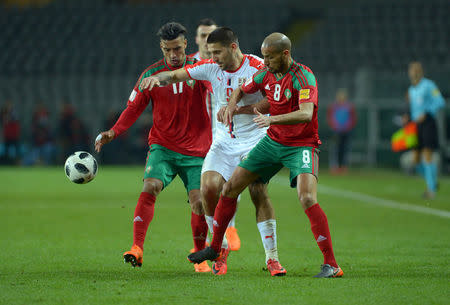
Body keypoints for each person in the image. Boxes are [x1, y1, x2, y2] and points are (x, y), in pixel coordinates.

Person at [188, 32, 344, 278]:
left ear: (285, 54)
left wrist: (271, 119)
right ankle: (216, 248)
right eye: (263, 57)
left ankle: (331, 264)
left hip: (301, 145)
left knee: (306, 198)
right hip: (272, 143)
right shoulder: (266, 74)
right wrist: (232, 107)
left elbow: (305, 114)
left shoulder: (303, 77)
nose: (265, 62)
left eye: (269, 57)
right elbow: (241, 87)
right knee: (230, 188)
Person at [140, 27, 286, 276]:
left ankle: (272, 259)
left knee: (257, 191)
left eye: (217, 52)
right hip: (223, 142)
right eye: (210, 52)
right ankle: (220, 249)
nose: (213, 57)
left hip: (255, 140)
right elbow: (177, 75)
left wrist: (241, 111)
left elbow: (274, 101)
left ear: (232, 48)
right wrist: (158, 79)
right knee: (207, 188)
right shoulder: (209, 67)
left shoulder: (257, 66)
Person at [95, 22, 212, 273]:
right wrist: (113, 132)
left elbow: (220, 89)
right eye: (168, 50)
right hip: (163, 147)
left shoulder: (200, 70)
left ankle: (199, 253)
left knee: (199, 202)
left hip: (197, 151)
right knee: (150, 186)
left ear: (185, 45)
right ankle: (137, 247)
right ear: (161, 47)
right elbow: (133, 108)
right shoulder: (150, 75)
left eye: (178, 49)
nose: (174, 55)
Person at [189, 19, 241, 252]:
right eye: (202, 35)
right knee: (202, 192)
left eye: (210, 35)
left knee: (228, 182)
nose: (205, 39)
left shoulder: (219, 66)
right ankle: (211, 237)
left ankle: (228, 227)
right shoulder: (191, 64)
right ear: (197, 39)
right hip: (198, 136)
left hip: (223, 132)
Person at [407, 61, 445, 199]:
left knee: (427, 155)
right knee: (416, 160)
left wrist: (428, 112)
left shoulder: (429, 85)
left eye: (417, 69)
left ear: (421, 71)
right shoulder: (411, 90)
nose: (415, 72)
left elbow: (440, 101)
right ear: (409, 72)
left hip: (428, 123)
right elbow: (413, 109)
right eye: (412, 69)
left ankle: (431, 190)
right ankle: (433, 181)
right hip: (416, 125)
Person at [326, 88, 357, 174]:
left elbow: (353, 119)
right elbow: (330, 118)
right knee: (335, 149)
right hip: (336, 131)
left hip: (346, 131)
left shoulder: (349, 107)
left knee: (345, 149)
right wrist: (335, 127)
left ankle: (343, 167)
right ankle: (334, 167)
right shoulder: (333, 107)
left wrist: (348, 127)